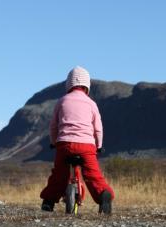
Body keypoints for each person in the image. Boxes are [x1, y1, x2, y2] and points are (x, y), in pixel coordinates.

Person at [40, 66, 115, 214]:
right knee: (93, 175)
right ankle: (103, 195)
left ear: (68, 84)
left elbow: (53, 126)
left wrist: (53, 142)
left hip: (65, 144)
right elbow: (98, 128)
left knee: (59, 175)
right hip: (87, 145)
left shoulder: (62, 101)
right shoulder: (91, 103)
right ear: (87, 85)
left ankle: (48, 202)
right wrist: (99, 145)